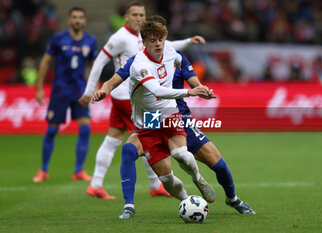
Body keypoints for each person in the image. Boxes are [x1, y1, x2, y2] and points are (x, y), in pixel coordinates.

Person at [79, 1, 206, 199]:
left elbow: (167, 46)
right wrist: (90, 90)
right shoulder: (120, 37)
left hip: (123, 97)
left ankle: (96, 183)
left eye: (141, 15)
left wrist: (189, 41)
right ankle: (156, 184)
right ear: (126, 17)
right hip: (131, 98)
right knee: (148, 139)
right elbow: (100, 61)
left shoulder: (147, 39)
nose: (138, 18)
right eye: (135, 15)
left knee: (113, 138)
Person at [115, 50, 256, 218]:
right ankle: (130, 207)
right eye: (153, 39)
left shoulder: (175, 56)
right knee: (129, 150)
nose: (157, 43)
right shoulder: (140, 61)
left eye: (160, 38)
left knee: (218, 164)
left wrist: (201, 89)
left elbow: (192, 78)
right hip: (152, 118)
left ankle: (232, 199)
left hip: (179, 116)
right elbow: (119, 76)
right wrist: (103, 90)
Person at [33, 7, 97, 182]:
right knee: (52, 130)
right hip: (60, 91)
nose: (77, 20)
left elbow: (93, 66)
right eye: (74, 17)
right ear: (69, 20)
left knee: (85, 129)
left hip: (80, 92)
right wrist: (39, 88)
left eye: (80, 17)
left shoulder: (91, 41)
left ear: (84, 21)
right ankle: (43, 170)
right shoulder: (58, 39)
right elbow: (46, 62)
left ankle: (78, 171)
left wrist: (92, 88)